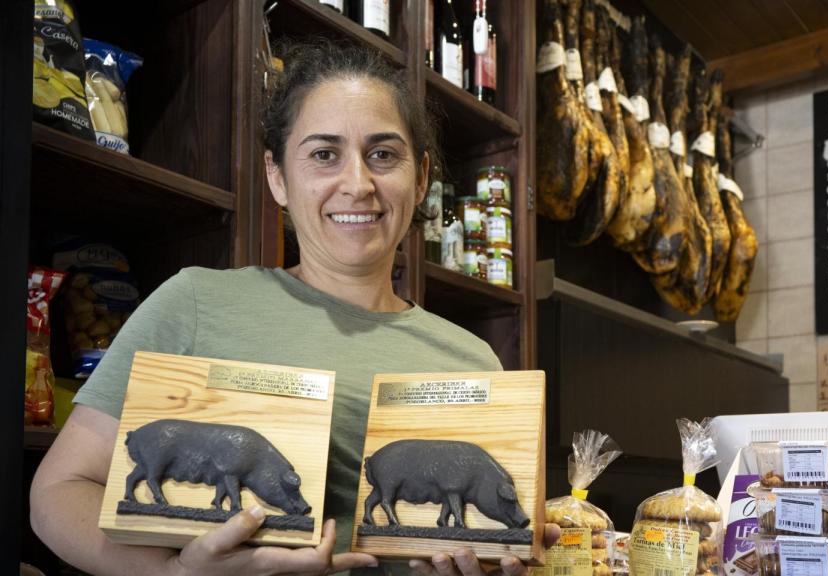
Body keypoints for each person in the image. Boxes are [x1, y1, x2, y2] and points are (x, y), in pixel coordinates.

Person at [31, 40, 556, 576]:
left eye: (383, 154)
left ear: (420, 177)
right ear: (277, 175)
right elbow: (57, 492)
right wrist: (174, 575)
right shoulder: (195, 301)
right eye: (324, 154)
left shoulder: (474, 362)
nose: (357, 184)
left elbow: (489, 529)